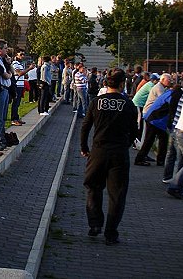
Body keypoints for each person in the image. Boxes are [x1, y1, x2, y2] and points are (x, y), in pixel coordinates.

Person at [80, 68, 138, 246]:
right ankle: (111, 233)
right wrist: (125, 145)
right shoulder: (129, 105)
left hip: (98, 151)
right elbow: (134, 131)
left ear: (106, 83)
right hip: (119, 154)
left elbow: (85, 126)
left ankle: (95, 224)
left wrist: (84, 147)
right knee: (117, 195)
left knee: (93, 187)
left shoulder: (96, 102)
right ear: (122, 84)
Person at [134, 73, 172, 166]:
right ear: (162, 80)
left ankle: (153, 159)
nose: (170, 81)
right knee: (151, 139)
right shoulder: (159, 88)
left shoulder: (163, 88)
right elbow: (164, 100)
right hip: (152, 115)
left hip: (153, 115)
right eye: (168, 80)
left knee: (155, 138)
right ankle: (142, 158)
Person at [10, 49, 34, 126]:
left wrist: (26, 73)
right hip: (17, 85)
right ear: (16, 55)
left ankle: (16, 117)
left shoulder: (20, 64)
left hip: (20, 84)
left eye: (23, 54)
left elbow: (23, 73)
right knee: (15, 102)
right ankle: (13, 119)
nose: (22, 56)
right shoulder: (15, 63)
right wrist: (29, 68)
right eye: (21, 54)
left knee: (18, 103)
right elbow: (19, 73)